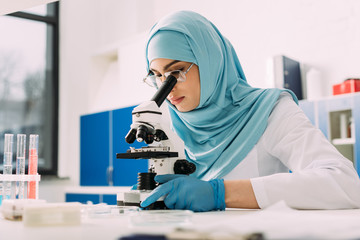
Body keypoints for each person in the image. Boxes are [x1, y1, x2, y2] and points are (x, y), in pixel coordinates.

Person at [139, 10, 360, 212]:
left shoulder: (269, 110)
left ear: (210, 62)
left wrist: (221, 193)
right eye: (157, 76)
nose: (167, 88)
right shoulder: (170, 122)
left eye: (176, 71)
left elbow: (345, 184)